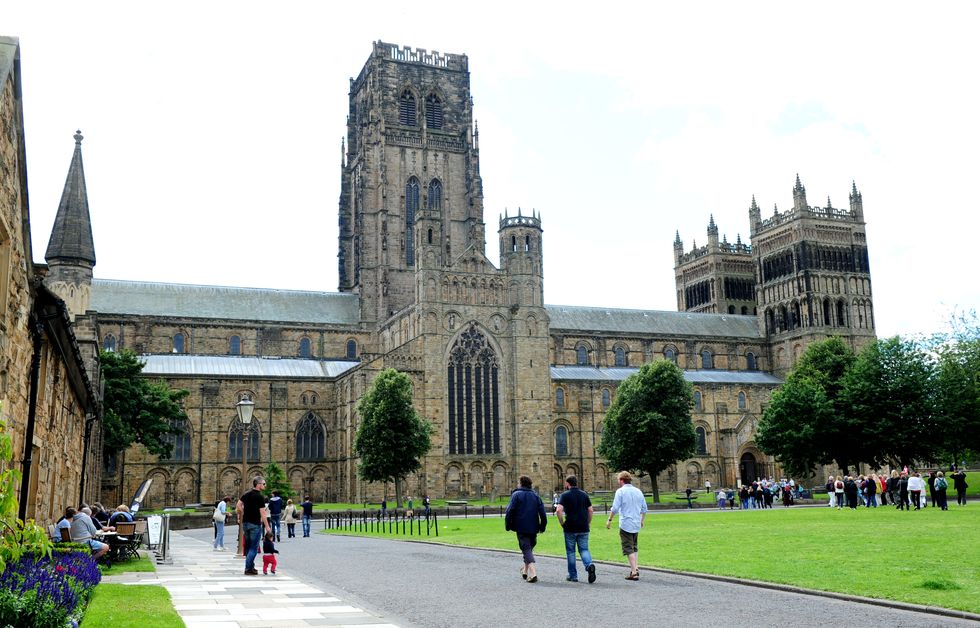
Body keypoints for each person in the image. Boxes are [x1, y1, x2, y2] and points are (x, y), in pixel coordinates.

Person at [605, 471, 647, 581]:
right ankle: (636, 568)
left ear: (622, 480)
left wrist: (609, 520)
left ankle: (634, 572)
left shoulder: (621, 491)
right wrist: (642, 520)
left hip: (626, 524)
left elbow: (614, 508)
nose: (618, 482)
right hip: (636, 523)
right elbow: (644, 508)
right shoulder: (638, 491)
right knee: (634, 546)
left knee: (628, 548)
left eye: (619, 480)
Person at [504, 475, 547, 583]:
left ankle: (533, 574)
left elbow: (509, 511)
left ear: (521, 483)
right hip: (533, 527)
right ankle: (524, 570)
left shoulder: (516, 495)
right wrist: (542, 526)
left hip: (521, 527)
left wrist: (508, 525)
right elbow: (543, 513)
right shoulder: (536, 496)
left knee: (526, 549)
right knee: (528, 549)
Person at [555, 475, 596, 584]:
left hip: (570, 527)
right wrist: (588, 522)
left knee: (571, 552)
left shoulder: (565, 495)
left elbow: (558, 510)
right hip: (583, 527)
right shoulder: (584, 494)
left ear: (568, 484)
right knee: (584, 549)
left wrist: (562, 523)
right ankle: (589, 565)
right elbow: (591, 510)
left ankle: (573, 575)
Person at [236, 476, 271, 575]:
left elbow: (238, 505)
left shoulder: (246, 494)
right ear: (258, 484)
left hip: (246, 523)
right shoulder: (260, 497)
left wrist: (244, 512)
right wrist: (267, 526)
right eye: (264, 484)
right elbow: (263, 513)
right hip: (255, 524)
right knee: (254, 547)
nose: (265, 485)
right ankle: (248, 568)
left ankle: (251, 567)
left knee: (248, 547)